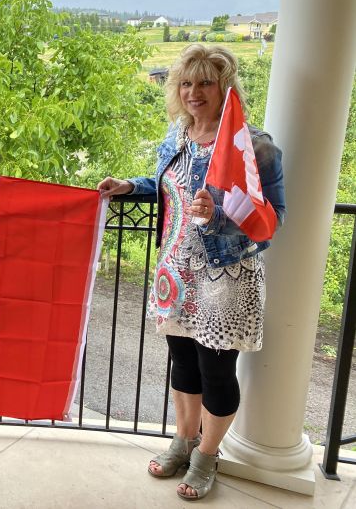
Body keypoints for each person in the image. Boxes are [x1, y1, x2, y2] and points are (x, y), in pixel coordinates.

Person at [97, 44, 285, 501]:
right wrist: (131, 186)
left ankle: (208, 454)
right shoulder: (176, 137)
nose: (193, 92)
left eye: (205, 82)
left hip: (224, 276)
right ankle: (182, 441)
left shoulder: (253, 145)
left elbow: (272, 218)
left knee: (216, 373)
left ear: (226, 88)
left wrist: (220, 211)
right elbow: (166, 188)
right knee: (182, 364)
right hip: (176, 272)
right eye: (186, 82)